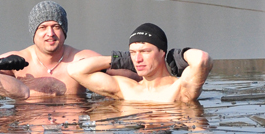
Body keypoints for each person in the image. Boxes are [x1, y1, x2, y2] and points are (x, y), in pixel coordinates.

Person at [0, 1, 127, 98]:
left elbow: (133, 73)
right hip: (31, 129)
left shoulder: (80, 58)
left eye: (56, 26)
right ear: (34, 33)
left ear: (64, 31)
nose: (50, 33)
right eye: (43, 27)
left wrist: (109, 65)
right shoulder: (17, 60)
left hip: (72, 130)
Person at [68, 22, 212, 104]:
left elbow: (201, 59)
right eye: (132, 52)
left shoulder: (179, 88)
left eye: (145, 51)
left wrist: (176, 57)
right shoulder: (126, 89)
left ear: (162, 53)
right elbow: (75, 70)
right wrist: (121, 59)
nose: (137, 59)